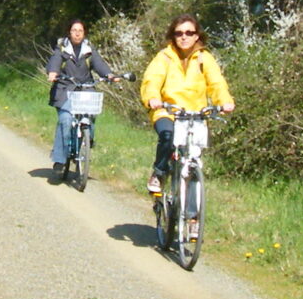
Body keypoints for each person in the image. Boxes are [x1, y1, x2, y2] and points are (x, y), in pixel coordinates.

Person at [137, 14, 235, 194]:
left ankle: (191, 208)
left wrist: (225, 102)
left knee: (193, 156)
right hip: (168, 111)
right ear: (173, 35)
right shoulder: (164, 57)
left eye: (189, 33)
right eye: (179, 33)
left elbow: (216, 83)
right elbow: (152, 80)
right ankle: (159, 172)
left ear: (197, 36)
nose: (184, 37)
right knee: (168, 135)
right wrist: (152, 98)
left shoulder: (204, 58)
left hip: (195, 114)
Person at [45, 20, 121, 172]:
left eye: (80, 30)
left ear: (84, 33)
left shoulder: (89, 49)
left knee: (90, 114)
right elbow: (55, 60)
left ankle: (86, 141)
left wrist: (109, 75)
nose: (77, 33)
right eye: (74, 30)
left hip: (85, 89)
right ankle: (59, 159)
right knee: (66, 120)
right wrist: (53, 72)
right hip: (65, 89)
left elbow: (99, 64)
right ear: (69, 32)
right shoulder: (62, 48)